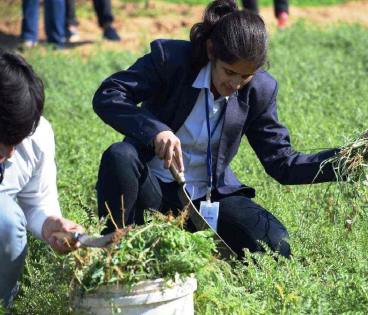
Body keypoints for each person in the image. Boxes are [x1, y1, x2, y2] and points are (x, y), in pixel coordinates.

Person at [92, 0, 339, 259]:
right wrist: (156, 131)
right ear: (211, 50)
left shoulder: (260, 90)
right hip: (151, 191)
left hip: (208, 198)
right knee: (120, 155)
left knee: (276, 246)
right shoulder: (171, 60)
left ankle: (204, 250)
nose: (235, 84)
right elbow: (109, 94)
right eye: (229, 72)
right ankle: (117, 255)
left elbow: (281, 162)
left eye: (246, 77)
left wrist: (344, 161)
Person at [0, 51, 84, 310]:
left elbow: (35, 202)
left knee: (6, 217)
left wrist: (50, 224)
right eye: (4, 142)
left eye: (17, 142)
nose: (10, 154)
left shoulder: (37, 136)